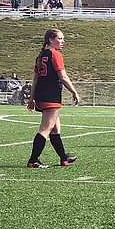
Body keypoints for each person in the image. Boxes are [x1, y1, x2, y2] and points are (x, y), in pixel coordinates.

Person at [26, 29, 80, 167]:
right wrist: (74, 91)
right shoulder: (55, 54)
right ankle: (33, 160)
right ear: (51, 39)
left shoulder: (41, 55)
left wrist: (32, 98)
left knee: (55, 129)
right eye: (60, 39)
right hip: (51, 95)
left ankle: (63, 157)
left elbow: (35, 80)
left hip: (41, 94)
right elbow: (63, 77)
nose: (63, 41)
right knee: (45, 128)